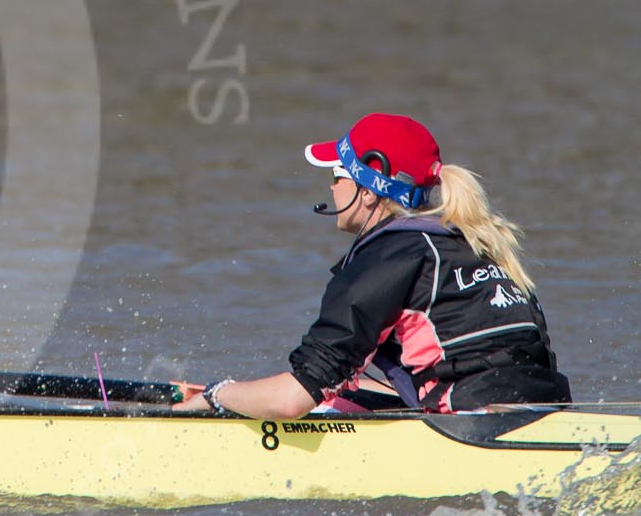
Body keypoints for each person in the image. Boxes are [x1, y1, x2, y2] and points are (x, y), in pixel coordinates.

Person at [178, 112, 569, 419]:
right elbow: (452, 375)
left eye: (337, 175)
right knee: (341, 394)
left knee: (319, 407)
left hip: (471, 425)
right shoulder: (478, 242)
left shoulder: (388, 257)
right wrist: (243, 393)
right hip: (545, 409)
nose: (332, 188)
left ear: (370, 187)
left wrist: (217, 394)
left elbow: (290, 401)